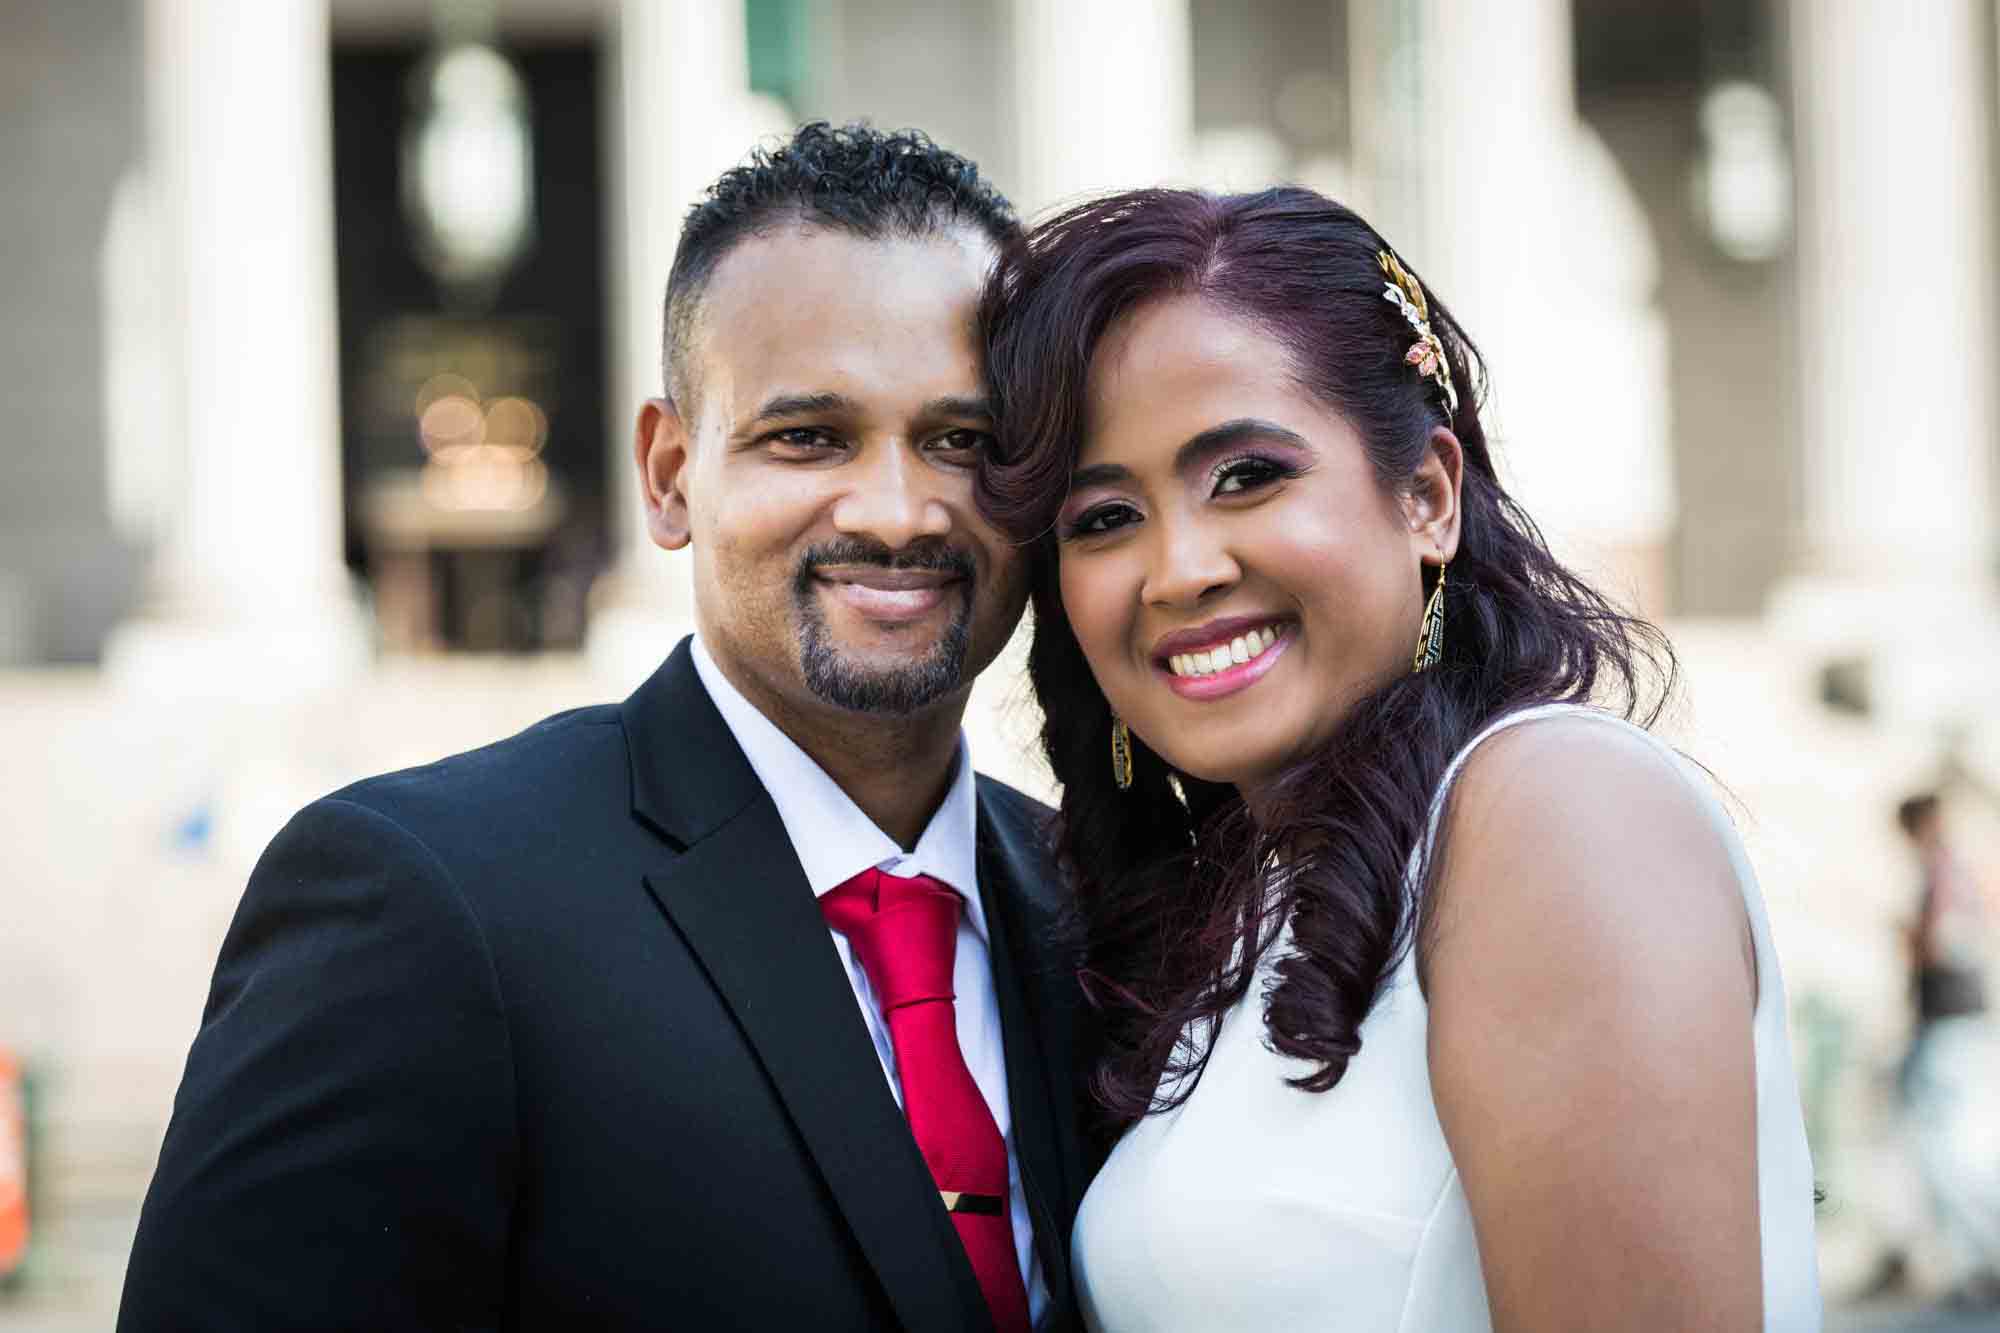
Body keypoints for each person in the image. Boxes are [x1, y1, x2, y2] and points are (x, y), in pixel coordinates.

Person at [118, 124, 1097, 1332]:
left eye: (961, 441)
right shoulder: (423, 903)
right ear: (671, 471)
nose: (895, 512)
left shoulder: (1097, 911)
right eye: (808, 436)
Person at [975, 186, 1822, 1330]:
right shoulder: (1245, 902)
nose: (1176, 571)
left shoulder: (1550, 811)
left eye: (1246, 477)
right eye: (1103, 519)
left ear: (1425, 495)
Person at [1894, 792, 2000, 1307]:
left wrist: (1909, 938)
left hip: (1949, 1027)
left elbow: (1941, 945)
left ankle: (1982, 1268)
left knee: (1954, 1153)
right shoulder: (1957, 872)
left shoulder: (1945, 873)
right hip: (1956, 1027)